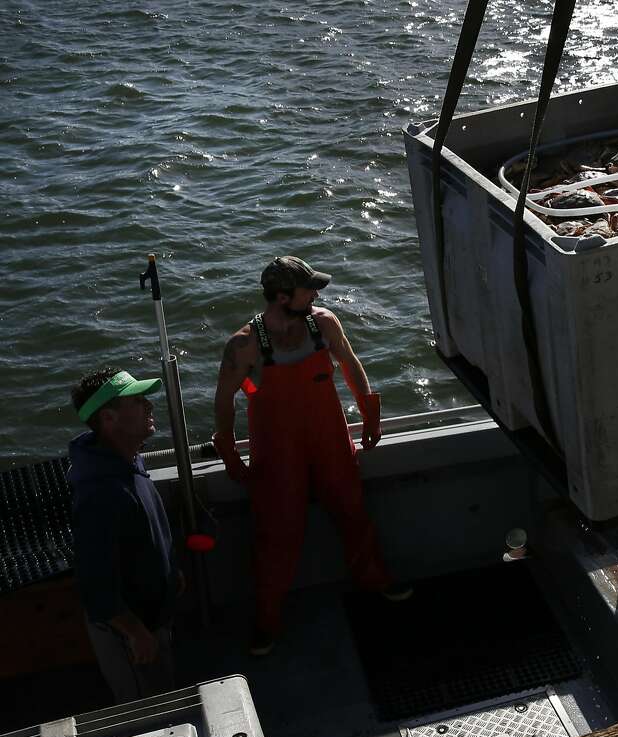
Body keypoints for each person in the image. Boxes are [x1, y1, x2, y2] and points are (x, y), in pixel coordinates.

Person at [212, 255, 411, 656]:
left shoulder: (323, 322)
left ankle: (375, 580)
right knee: (278, 533)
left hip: (330, 438)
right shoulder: (244, 344)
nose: (318, 293)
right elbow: (223, 400)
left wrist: (370, 414)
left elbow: (351, 365)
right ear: (283, 296)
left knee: (352, 510)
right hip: (276, 450)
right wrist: (229, 451)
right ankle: (267, 619)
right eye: (309, 288)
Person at [68, 368, 184, 703]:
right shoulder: (100, 492)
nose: (149, 406)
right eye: (137, 401)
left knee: (166, 687)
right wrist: (136, 633)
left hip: (152, 612)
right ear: (108, 417)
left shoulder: (128, 458)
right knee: (149, 706)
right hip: (130, 631)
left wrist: (171, 569)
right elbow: (95, 585)